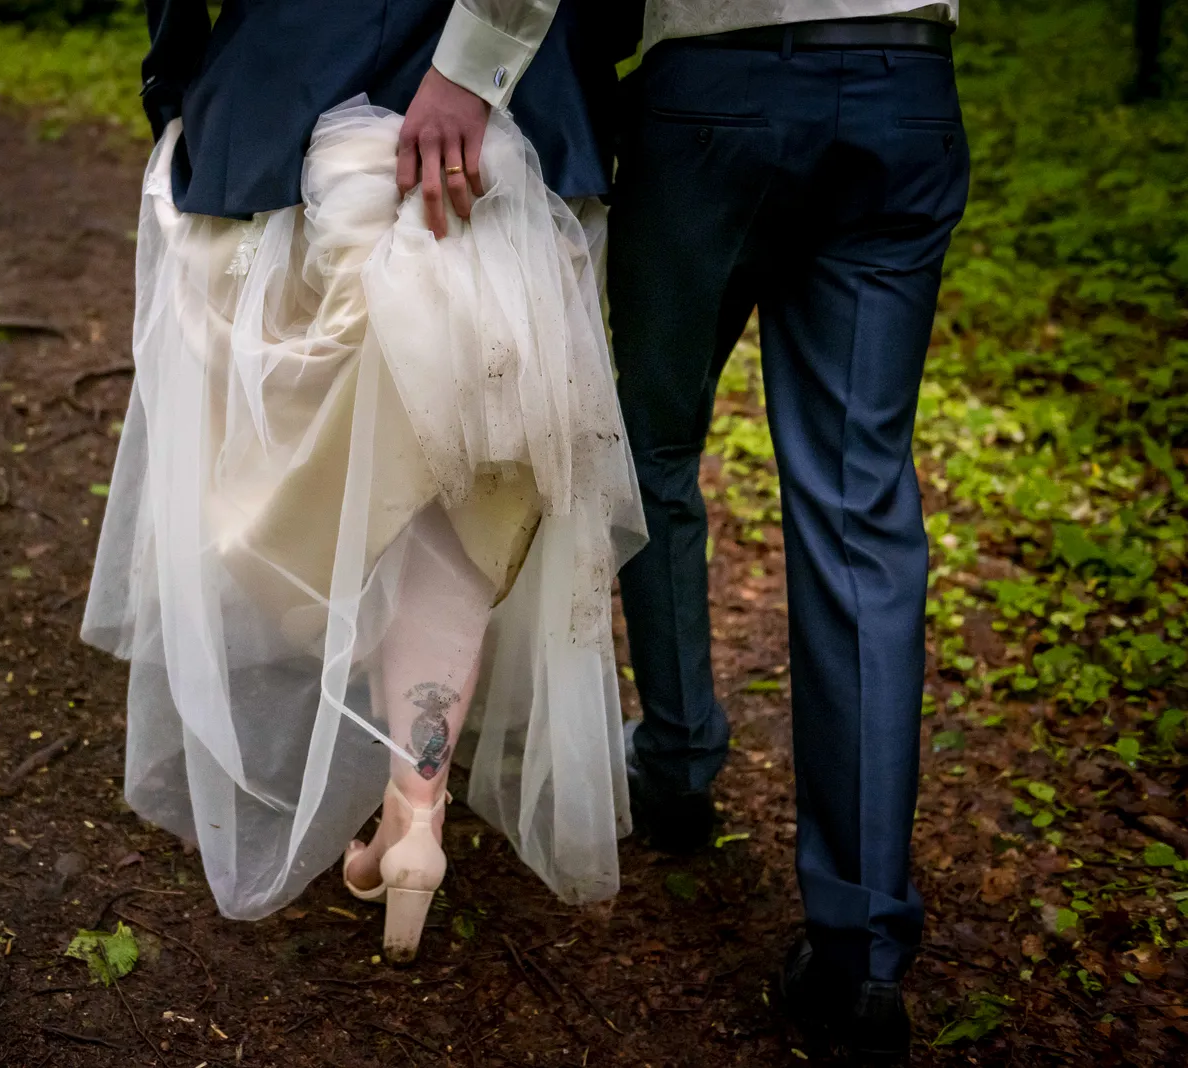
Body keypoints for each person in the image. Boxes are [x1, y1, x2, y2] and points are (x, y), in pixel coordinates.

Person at [411, 1, 969, 1062]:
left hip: (713, 93)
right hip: (905, 84)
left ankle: (675, 764)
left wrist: (471, 67)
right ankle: (858, 951)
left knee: (655, 450)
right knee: (859, 508)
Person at [82, 1, 645, 965]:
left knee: (333, 453)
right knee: (456, 471)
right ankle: (415, 809)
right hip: (514, 100)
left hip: (291, 72)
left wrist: (177, 68)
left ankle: (396, 796)